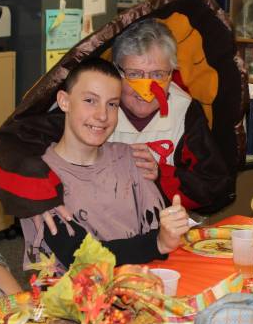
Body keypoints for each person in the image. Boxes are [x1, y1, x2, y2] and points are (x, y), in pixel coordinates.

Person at [0, 18, 234, 235]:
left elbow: (214, 183)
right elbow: (6, 145)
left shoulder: (184, 111)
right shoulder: (88, 111)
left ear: (172, 74)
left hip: (162, 230)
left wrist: (159, 176)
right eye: (136, 74)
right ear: (116, 71)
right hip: (88, 228)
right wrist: (42, 193)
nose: (147, 89)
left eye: (158, 74)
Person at [20, 57, 190, 270]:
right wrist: (158, 244)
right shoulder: (36, 177)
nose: (102, 115)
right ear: (64, 101)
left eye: (112, 104)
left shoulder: (130, 158)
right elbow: (77, 257)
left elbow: (158, 229)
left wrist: (171, 226)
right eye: (90, 100)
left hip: (141, 286)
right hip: (74, 298)